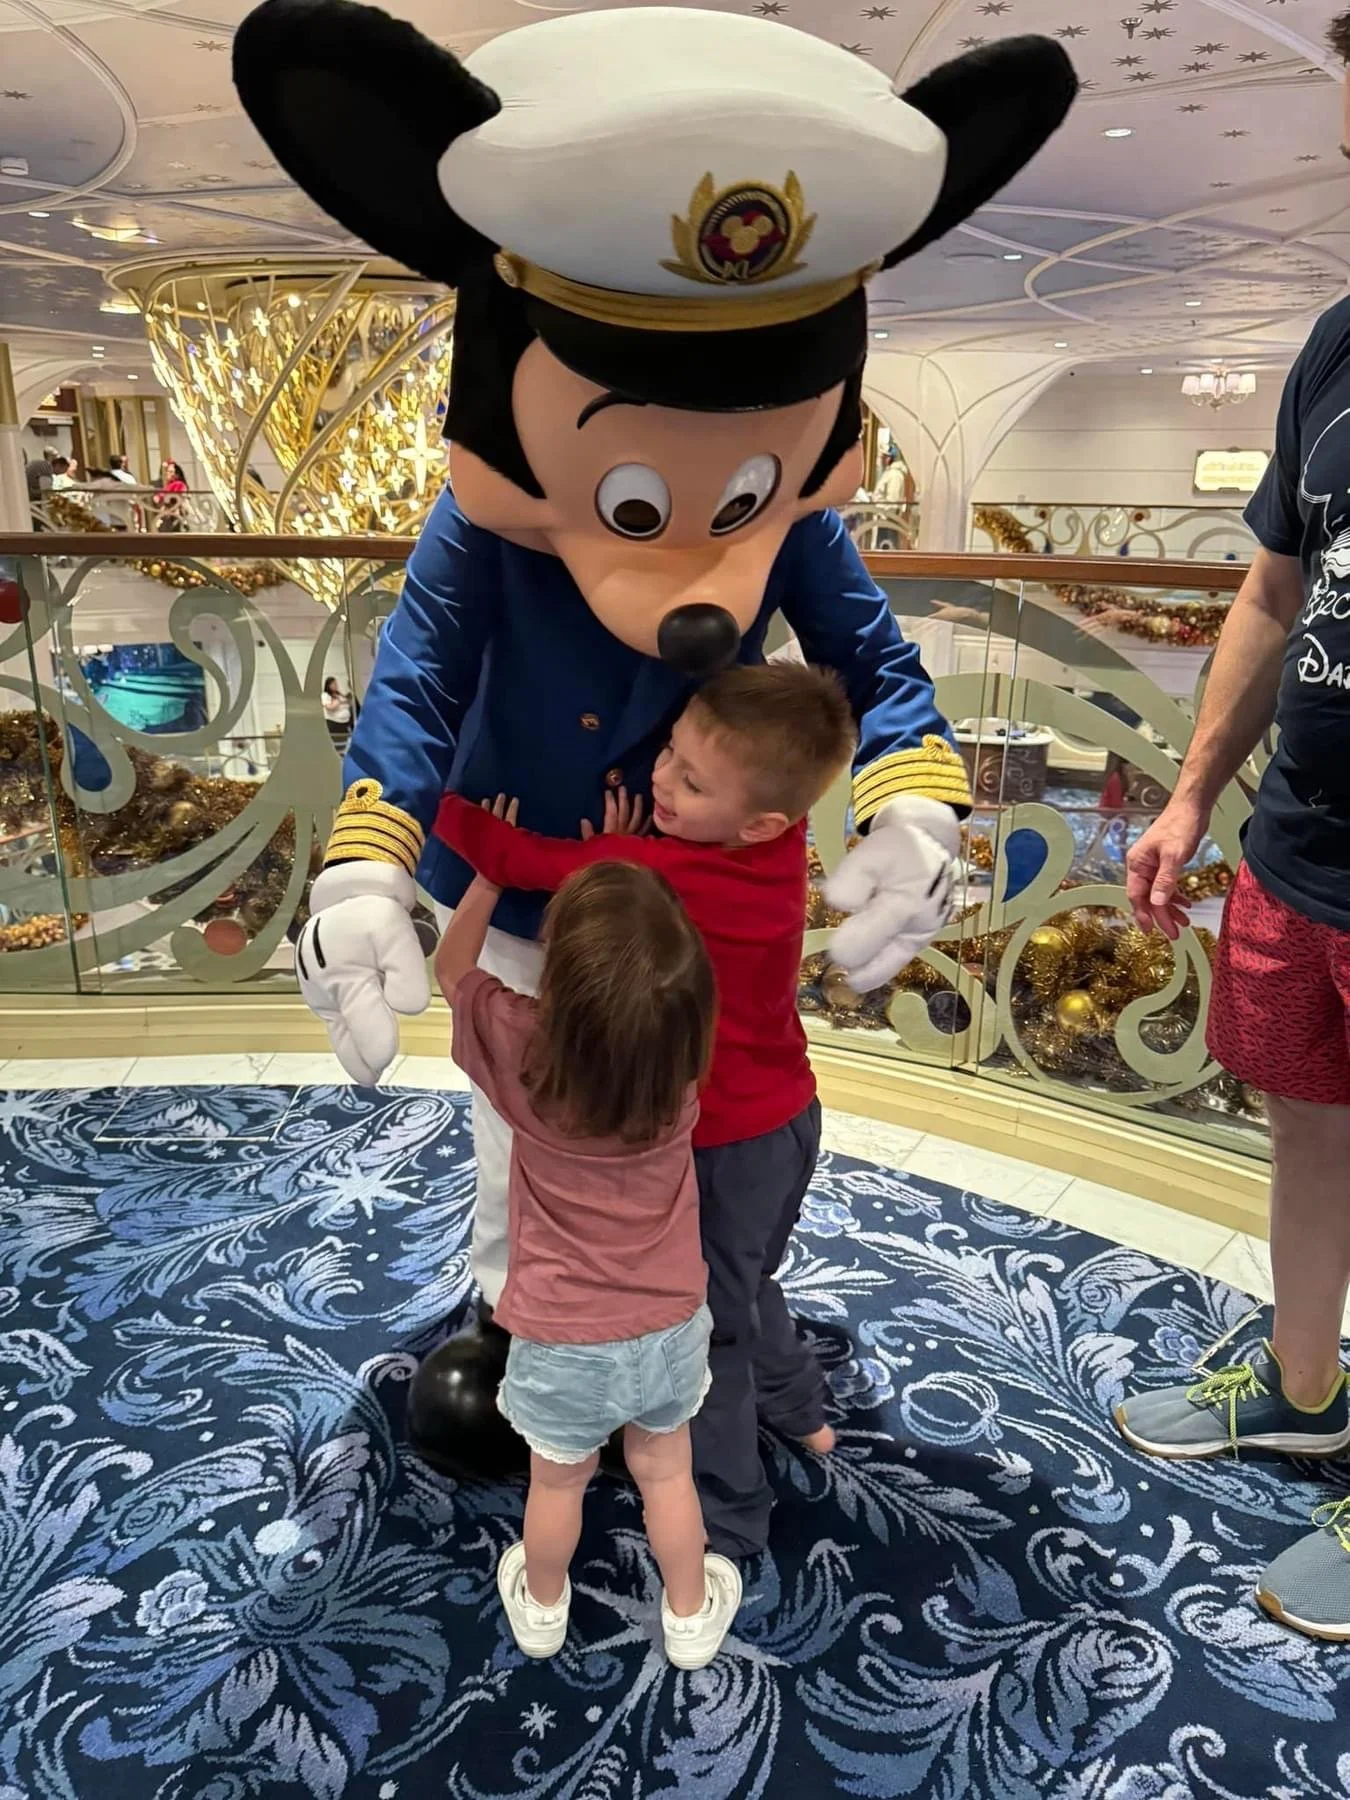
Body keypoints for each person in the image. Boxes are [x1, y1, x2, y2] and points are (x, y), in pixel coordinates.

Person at [245, 0, 1076, 1484]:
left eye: (746, 489)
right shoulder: (482, 533)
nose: (698, 572)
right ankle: (519, 1317)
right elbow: (417, 683)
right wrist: (367, 865)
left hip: (686, 905)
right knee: (530, 1129)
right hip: (520, 889)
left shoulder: (792, 525)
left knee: (680, 1126)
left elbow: (872, 659)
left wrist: (913, 802)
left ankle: (676, 1316)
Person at [1113, 7, 1350, 1645]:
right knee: (1311, 1134)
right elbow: (1275, 583)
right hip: (1305, 845)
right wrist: (1196, 791)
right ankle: (1306, 1387)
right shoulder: (1343, 339)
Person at [437, 663, 863, 1555]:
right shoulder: (776, 857)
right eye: (669, 752)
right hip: (789, 1121)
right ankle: (806, 1415)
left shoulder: (669, 873)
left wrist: (438, 804)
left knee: (712, 1330)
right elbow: (660, 859)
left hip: (722, 1145)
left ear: (760, 822)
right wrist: (647, 841)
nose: (661, 779)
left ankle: (729, 1518)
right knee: (747, 1284)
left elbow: (528, 862)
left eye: (691, 781)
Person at [433, 859, 742, 1667]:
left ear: (554, 982)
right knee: (666, 1472)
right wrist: (638, 869)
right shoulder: (677, 1067)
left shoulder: (526, 1054)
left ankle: (540, 1607)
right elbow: (657, 987)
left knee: (558, 1483)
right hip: (671, 1322)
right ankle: (688, 1614)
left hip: (562, 1334)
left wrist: (495, 877)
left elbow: (452, 968)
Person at [154, 460, 188, 530]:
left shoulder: (179, 484)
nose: (167, 473)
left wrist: (160, 497)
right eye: (168, 471)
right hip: (167, 514)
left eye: (171, 472)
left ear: (177, 474)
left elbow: (173, 496)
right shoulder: (169, 484)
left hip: (173, 514)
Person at [322, 676, 352, 743]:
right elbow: (330, 707)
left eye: (336, 683)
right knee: (337, 744)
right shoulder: (325, 695)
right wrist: (339, 701)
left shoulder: (339, 694)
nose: (335, 685)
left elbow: (347, 703)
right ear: (328, 685)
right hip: (334, 724)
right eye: (333, 684)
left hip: (345, 723)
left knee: (344, 743)